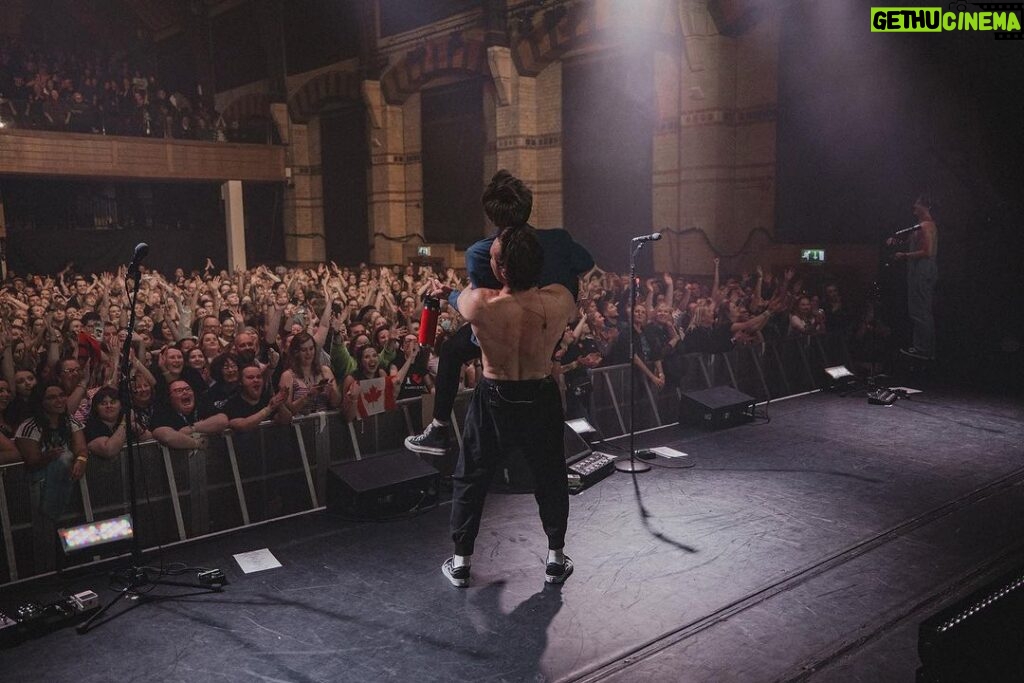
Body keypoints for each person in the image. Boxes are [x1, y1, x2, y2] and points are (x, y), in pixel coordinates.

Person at [405, 170, 593, 456]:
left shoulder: (482, 252)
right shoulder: (558, 239)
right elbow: (585, 262)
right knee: (549, 472)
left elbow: (481, 305)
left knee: (454, 349)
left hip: (505, 336)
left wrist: (451, 294)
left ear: (492, 217)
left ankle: (440, 428)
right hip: (547, 329)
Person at [441, 225, 577, 588]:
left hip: (494, 396)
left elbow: (458, 297)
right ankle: (555, 559)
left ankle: (460, 563)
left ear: (501, 269)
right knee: (549, 476)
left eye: (494, 257)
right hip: (539, 394)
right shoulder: (561, 299)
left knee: (471, 477)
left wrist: (447, 291)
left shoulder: (480, 303)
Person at [889, 194, 939, 360]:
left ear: (924, 206)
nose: (914, 207)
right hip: (917, 271)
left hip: (922, 271)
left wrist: (904, 255)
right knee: (917, 310)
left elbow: (928, 251)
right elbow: (911, 241)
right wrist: (896, 242)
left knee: (921, 310)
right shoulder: (919, 226)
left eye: (916, 204)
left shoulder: (927, 226)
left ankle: (924, 349)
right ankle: (921, 347)